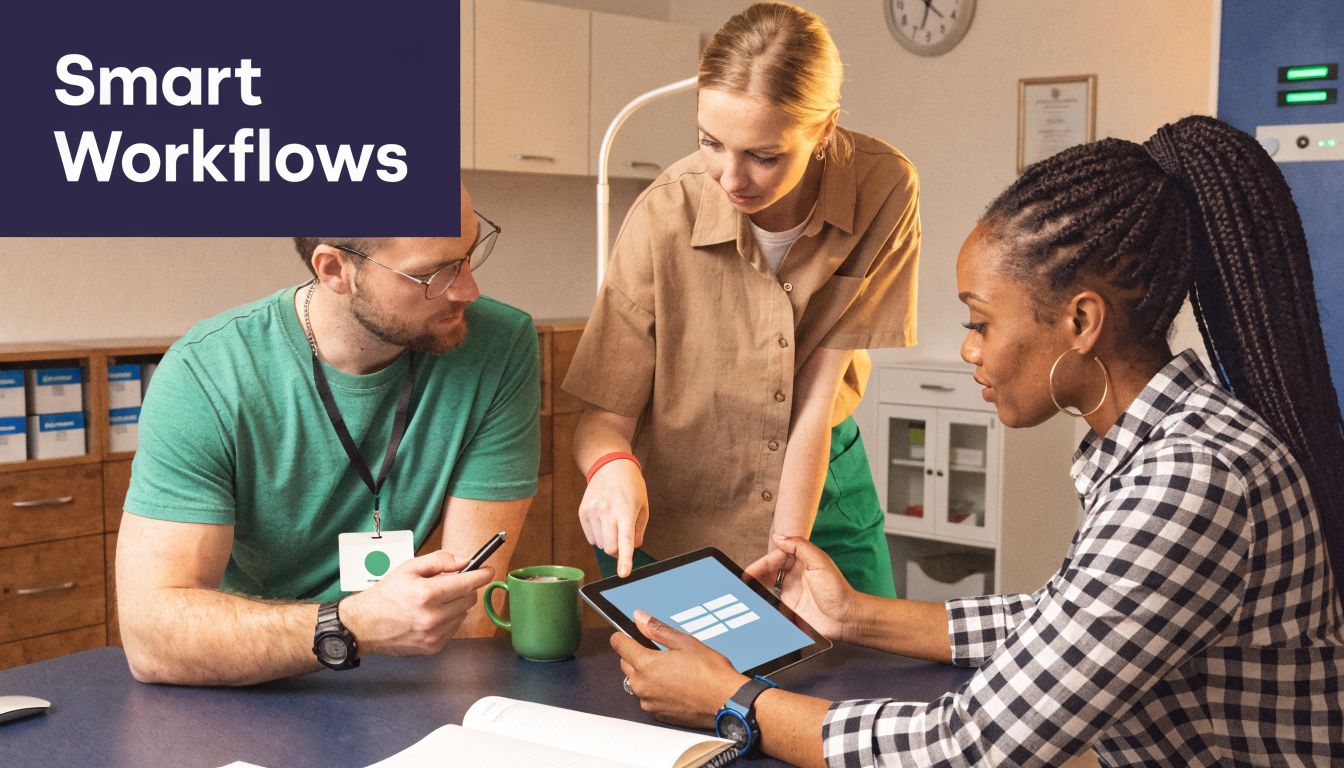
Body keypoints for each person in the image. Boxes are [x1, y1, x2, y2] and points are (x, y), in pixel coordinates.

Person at [610, 116, 1344, 766]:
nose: (969, 349)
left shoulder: (1190, 477)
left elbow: (965, 748)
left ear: (1081, 323)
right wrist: (852, 614)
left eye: (980, 322)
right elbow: (1066, 619)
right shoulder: (1168, 444)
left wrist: (731, 701)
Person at [116, 184, 541, 686]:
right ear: (335, 270)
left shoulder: (499, 346)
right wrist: (353, 626)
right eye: (432, 274)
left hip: (404, 681)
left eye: (469, 254)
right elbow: (151, 639)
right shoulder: (207, 374)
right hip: (249, 677)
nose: (468, 290)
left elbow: (470, 611)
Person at [563, 3, 920, 596]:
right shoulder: (663, 214)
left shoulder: (882, 188)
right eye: (711, 143)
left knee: (855, 650)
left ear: (824, 130)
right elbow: (604, 419)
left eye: (763, 155)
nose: (730, 178)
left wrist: (785, 553)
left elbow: (817, 399)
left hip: (821, 482)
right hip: (677, 500)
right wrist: (611, 467)